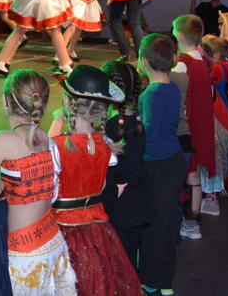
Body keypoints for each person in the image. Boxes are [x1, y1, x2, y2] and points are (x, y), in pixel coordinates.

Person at [0, 69, 77, 296]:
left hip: (27, 252)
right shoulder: (44, 137)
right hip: (53, 239)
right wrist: (0, 181)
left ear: (5, 101)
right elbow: (26, 171)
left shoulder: (5, 139)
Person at [51, 65, 142, 296]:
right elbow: (101, 187)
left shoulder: (56, 146)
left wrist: (57, 123)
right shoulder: (106, 146)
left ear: (68, 103)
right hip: (97, 230)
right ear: (102, 111)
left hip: (63, 231)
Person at [136, 33, 186, 296]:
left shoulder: (152, 94)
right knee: (166, 223)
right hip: (173, 161)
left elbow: (150, 133)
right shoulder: (173, 87)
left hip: (156, 165)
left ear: (144, 61)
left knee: (154, 225)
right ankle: (165, 279)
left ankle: (151, 279)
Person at [171, 15, 216, 241]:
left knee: (186, 173)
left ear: (179, 36)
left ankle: (188, 222)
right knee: (194, 172)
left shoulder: (183, 63)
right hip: (200, 122)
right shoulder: (201, 60)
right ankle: (193, 219)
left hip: (186, 125)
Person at [100, 60, 147, 271]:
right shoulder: (139, 121)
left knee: (120, 262)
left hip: (120, 205)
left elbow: (121, 170)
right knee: (130, 257)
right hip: (138, 201)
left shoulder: (113, 126)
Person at [201, 35, 228, 196]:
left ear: (216, 54)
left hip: (220, 108)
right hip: (227, 106)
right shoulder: (226, 65)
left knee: (225, 149)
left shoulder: (216, 67)